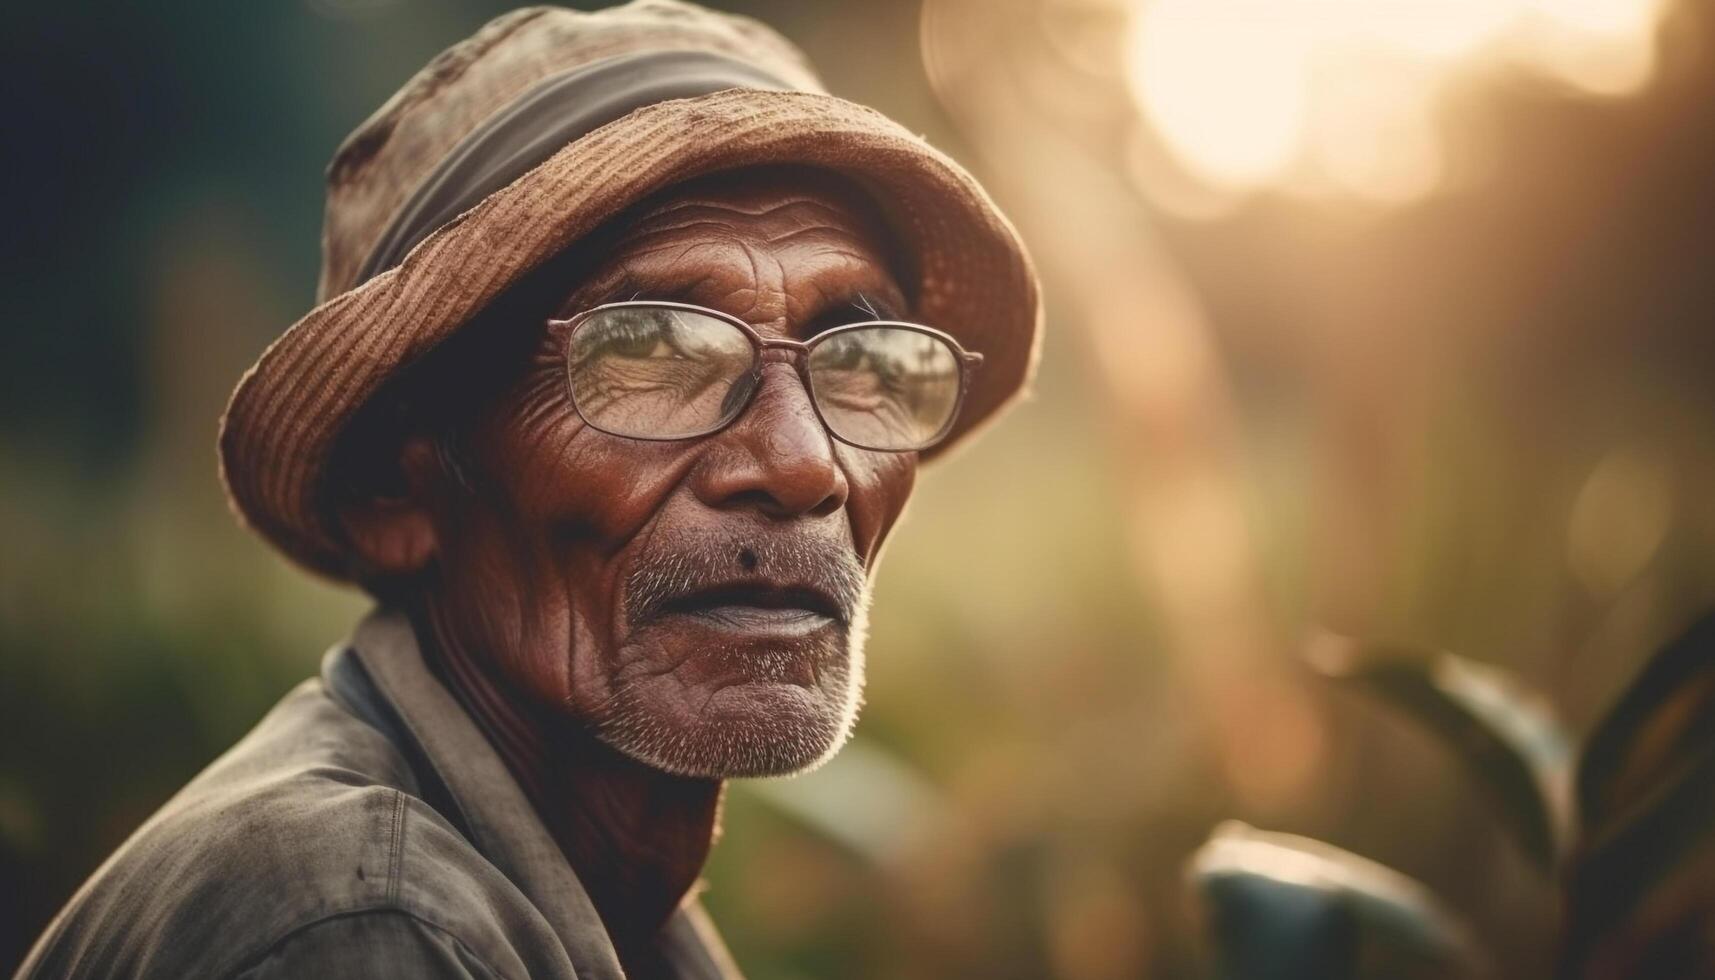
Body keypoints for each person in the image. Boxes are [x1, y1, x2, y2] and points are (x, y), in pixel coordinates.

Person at [15, 2, 1040, 977]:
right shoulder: (357, 923)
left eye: (859, 359)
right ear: (396, 489)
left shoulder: (597, 903)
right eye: (649, 352)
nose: (803, 463)